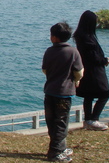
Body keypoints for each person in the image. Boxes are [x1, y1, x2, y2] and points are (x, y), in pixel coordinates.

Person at [42, 22, 83, 162]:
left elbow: (45, 70)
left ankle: (57, 149)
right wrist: (76, 81)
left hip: (50, 91)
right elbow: (79, 72)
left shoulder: (49, 51)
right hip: (64, 93)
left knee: (51, 121)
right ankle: (56, 152)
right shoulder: (73, 52)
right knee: (61, 122)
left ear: (54, 37)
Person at [73, 10, 109, 131]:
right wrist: (104, 60)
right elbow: (93, 57)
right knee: (105, 93)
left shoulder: (81, 36)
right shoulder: (87, 38)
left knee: (88, 95)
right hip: (94, 71)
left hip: (87, 70)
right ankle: (93, 119)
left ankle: (88, 120)